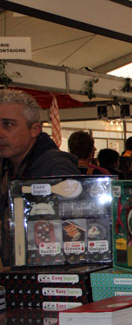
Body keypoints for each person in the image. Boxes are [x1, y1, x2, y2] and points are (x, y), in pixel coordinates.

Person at [0, 89, 79, 267]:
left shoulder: (55, 168)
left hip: (50, 273)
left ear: (35, 129)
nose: (0, 132)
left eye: (8, 125)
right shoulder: (8, 165)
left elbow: (73, 231)